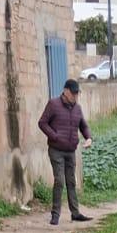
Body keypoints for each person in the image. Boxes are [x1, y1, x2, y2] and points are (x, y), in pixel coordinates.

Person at [38, 78, 93, 225]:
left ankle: (75, 213)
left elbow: (84, 126)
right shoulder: (53, 105)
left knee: (71, 182)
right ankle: (55, 215)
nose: (75, 96)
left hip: (70, 151)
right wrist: (54, 136)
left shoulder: (77, 108)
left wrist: (88, 138)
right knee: (60, 181)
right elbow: (42, 123)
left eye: (77, 94)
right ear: (65, 91)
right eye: (73, 93)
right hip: (56, 150)